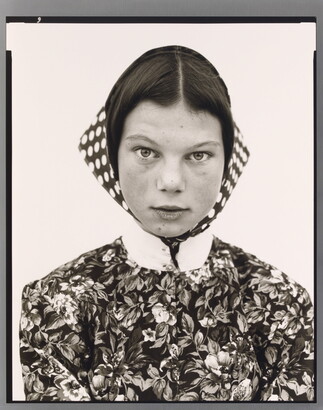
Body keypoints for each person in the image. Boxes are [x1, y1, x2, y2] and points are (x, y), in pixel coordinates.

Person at [19, 45, 314, 402]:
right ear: (112, 154)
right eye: (146, 152)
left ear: (227, 162)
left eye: (198, 155)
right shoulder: (56, 304)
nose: (171, 181)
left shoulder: (283, 305)